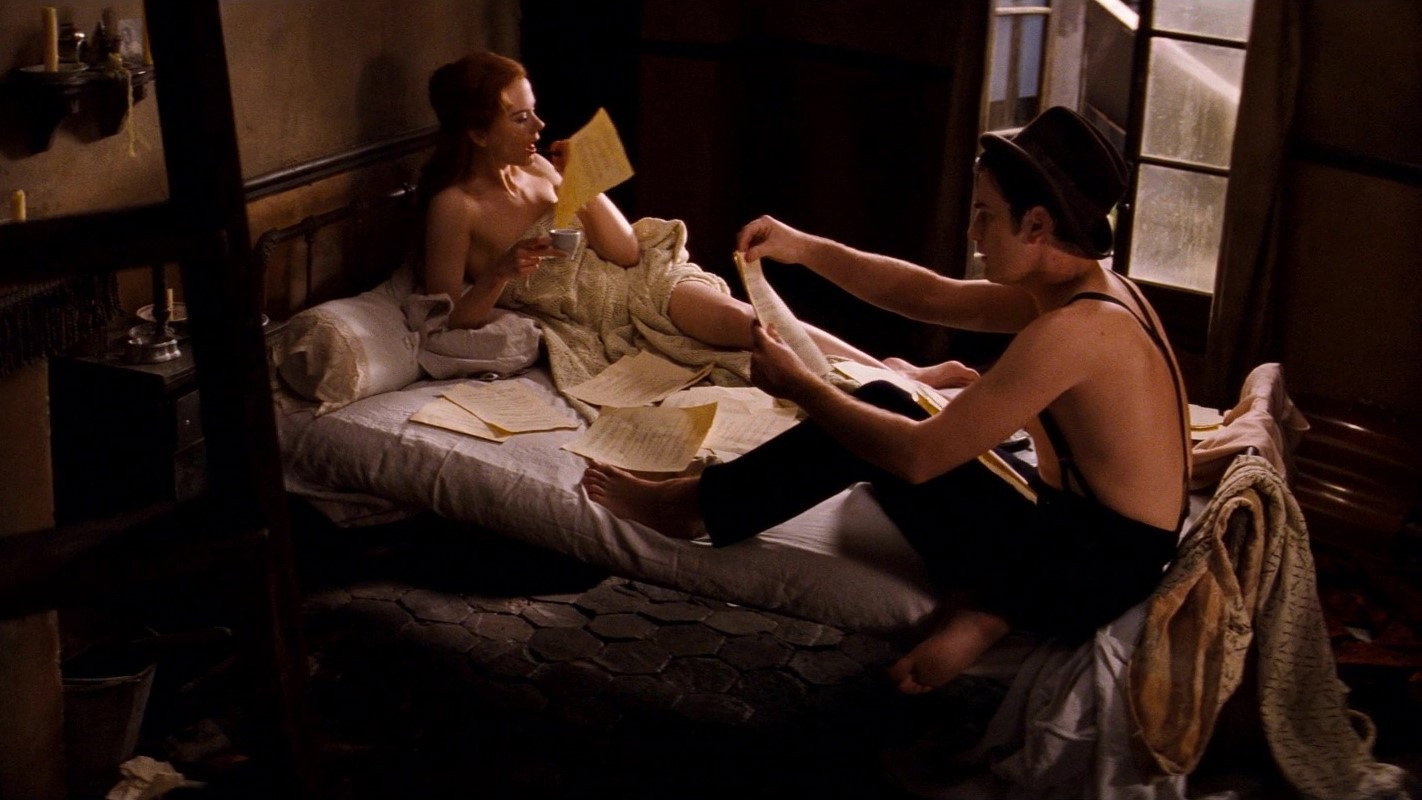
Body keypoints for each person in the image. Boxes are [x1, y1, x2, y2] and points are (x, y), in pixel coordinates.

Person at [582, 106, 1189, 694]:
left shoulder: (1073, 331)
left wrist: (800, 385)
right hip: (1081, 531)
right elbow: (931, 296)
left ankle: (690, 508)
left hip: (1091, 570)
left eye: (984, 216)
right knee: (884, 404)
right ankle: (984, 610)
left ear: (1036, 226)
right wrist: (805, 248)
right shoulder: (1082, 291)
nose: (972, 234)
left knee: (882, 422)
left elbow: (918, 459)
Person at [417, 52, 976, 408]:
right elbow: (446, 320)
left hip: (642, 285)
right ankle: (884, 378)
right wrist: (499, 273)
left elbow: (626, 252)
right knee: (751, 350)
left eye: (535, 111)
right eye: (520, 118)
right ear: (477, 134)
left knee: (753, 324)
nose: (539, 126)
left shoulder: (541, 169)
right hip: (594, 322)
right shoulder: (455, 208)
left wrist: (582, 186)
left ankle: (893, 375)